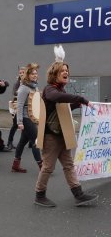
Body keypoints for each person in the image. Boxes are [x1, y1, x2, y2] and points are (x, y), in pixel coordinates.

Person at [34, 61, 98, 207]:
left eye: (67, 70)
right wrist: (81, 99)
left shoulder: (61, 91)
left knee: (69, 165)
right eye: (62, 70)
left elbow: (64, 109)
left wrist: (77, 104)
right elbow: (55, 98)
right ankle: (39, 195)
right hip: (51, 136)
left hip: (63, 135)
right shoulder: (50, 89)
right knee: (48, 167)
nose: (66, 73)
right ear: (54, 74)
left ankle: (79, 195)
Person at [11, 63, 43, 173]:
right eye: (32, 74)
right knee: (35, 141)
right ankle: (42, 167)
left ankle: (15, 164)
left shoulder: (34, 86)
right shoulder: (23, 88)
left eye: (36, 73)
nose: (35, 75)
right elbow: (19, 106)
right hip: (25, 118)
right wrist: (19, 122)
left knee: (22, 141)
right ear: (27, 75)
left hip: (32, 118)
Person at [7, 67, 25, 150]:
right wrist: (21, 91)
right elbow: (14, 93)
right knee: (15, 125)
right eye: (20, 72)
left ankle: (30, 142)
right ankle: (9, 142)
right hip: (17, 106)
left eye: (23, 72)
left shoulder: (28, 82)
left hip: (26, 106)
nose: (21, 74)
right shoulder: (17, 83)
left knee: (27, 124)